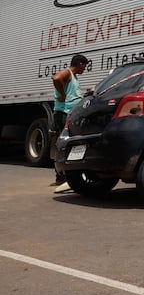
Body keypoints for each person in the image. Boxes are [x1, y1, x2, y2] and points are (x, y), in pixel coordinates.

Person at [51, 54, 89, 192]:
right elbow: (56, 79)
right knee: (65, 144)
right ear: (79, 63)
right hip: (63, 113)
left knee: (65, 143)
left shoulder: (73, 77)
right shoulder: (67, 72)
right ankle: (64, 177)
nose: (85, 69)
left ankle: (61, 177)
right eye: (84, 65)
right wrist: (62, 94)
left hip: (68, 113)